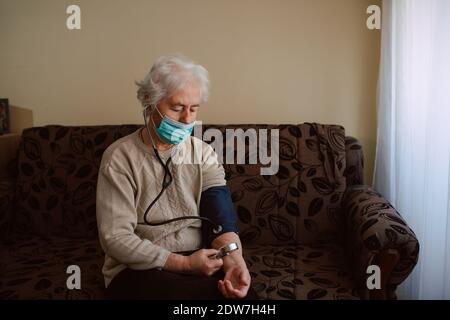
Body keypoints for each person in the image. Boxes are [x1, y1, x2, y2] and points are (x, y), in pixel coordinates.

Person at [96, 53, 258, 300]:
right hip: (138, 267)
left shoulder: (203, 153)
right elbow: (116, 238)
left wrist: (234, 260)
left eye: (193, 109)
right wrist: (182, 264)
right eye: (177, 108)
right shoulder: (119, 158)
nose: (186, 119)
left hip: (198, 258)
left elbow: (220, 218)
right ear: (150, 105)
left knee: (243, 297)